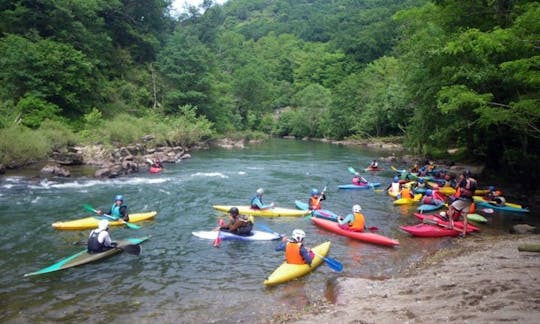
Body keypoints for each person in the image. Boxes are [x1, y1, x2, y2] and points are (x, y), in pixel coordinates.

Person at [441, 170, 477, 236]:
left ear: (463, 175)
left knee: (450, 207)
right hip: (469, 201)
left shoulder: (463, 180)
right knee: (465, 217)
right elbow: (474, 191)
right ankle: (464, 232)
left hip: (463, 199)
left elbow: (456, 187)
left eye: (461, 175)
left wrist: (460, 180)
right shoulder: (474, 181)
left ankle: (450, 225)